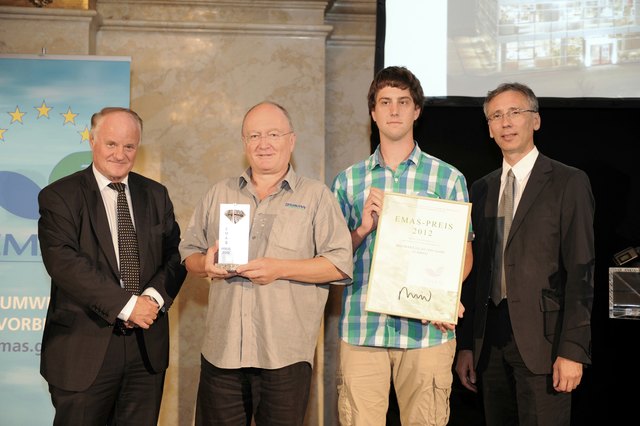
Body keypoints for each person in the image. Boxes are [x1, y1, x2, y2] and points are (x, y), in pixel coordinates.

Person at [179, 101, 353, 425]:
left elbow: (340, 265)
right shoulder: (219, 193)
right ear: (244, 143)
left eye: (273, 134)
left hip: (285, 356)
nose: (263, 143)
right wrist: (205, 263)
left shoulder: (317, 197)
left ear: (292, 140)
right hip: (222, 353)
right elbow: (188, 252)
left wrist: (280, 268)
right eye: (254, 135)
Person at [331, 66, 474, 426]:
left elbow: (463, 254)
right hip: (363, 328)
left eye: (403, 102)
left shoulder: (447, 177)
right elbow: (332, 260)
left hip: (427, 332)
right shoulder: (347, 181)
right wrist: (362, 229)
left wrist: (445, 294)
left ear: (417, 111)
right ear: (373, 112)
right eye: (385, 102)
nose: (394, 110)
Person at [455, 82, 595, 425]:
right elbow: (475, 274)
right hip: (489, 346)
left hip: (545, 346)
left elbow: (581, 271)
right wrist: (467, 345)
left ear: (535, 120)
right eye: (496, 116)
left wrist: (573, 350)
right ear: (488, 129)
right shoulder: (480, 189)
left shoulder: (568, 182)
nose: (506, 122)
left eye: (515, 112)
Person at [37, 107, 186, 426]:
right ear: (92, 141)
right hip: (83, 351)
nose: (120, 154)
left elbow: (176, 255)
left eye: (129, 146)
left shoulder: (156, 194)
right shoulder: (59, 196)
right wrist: (128, 306)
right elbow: (64, 263)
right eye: (111, 144)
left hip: (146, 352)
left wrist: (152, 301)